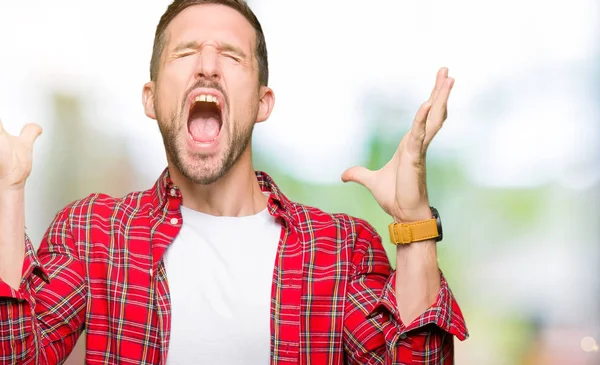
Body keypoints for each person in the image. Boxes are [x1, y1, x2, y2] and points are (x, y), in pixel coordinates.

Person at [0, 0, 468, 364]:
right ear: (150, 98)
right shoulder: (93, 232)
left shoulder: (342, 250)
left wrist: (414, 224)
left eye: (231, 55)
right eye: (185, 53)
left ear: (263, 102)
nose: (207, 66)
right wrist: (7, 190)